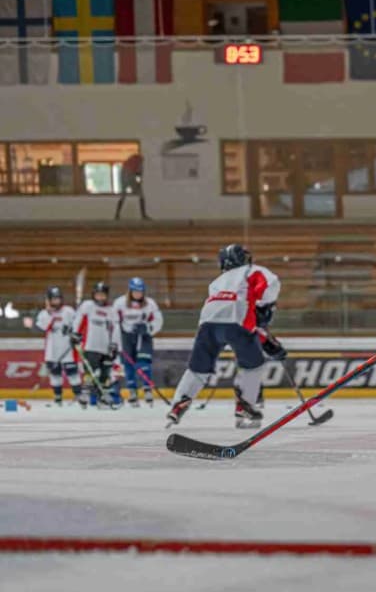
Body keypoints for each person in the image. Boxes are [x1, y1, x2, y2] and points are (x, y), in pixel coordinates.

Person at [166, 244, 283, 429]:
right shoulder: (253, 270)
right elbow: (268, 287)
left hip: (207, 323)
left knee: (198, 369)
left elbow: (223, 311)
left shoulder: (217, 281)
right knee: (253, 365)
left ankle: (179, 403)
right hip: (237, 320)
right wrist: (264, 320)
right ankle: (245, 405)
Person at [113, 277, 163, 407]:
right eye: (135, 291)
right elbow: (114, 322)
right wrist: (115, 342)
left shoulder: (150, 304)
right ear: (130, 291)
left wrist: (148, 327)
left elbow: (158, 320)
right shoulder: (119, 303)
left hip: (144, 337)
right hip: (126, 337)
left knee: (144, 362)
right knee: (128, 365)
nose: (137, 294)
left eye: (140, 291)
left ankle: (147, 389)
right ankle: (132, 391)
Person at [71, 282, 122, 408]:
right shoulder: (87, 305)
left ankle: (101, 397)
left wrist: (115, 344)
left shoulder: (111, 311)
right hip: (90, 346)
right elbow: (78, 319)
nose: (100, 297)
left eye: (102, 295)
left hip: (105, 347)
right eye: (98, 294)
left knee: (105, 373)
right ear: (94, 294)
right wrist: (75, 333)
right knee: (90, 371)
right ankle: (85, 394)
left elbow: (115, 329)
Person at [33, 286, 83, 407]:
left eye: (58, 298)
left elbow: (77, 325)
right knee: (55, 375)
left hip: (68, 350)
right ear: (49, 300)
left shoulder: (69, 311)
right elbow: (43, 327)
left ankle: (78, 396)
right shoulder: (44, 314)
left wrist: (75, 334)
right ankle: (58, 398)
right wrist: (50, 314)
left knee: (73, 374)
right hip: (52, 351)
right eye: (53, 299)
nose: (56, 301)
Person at [115, 153, 150, 221]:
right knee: (141, 195)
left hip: (123, 174)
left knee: (123, 196)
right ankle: (143, 215)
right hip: (129, 174)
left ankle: (117, 215)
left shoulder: (130, 159)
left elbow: (133, 170)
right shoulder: (140, 160)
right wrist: (139, 182)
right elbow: (138, 173)